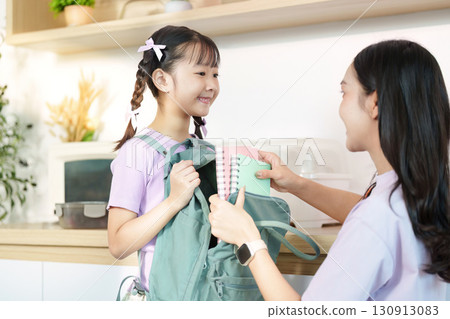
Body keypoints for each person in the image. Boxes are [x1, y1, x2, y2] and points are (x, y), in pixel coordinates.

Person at [208, 40, 450, 300]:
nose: (341, 107)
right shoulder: (427, 194)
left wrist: (248, 242)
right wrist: (296, 184)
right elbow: (372, 215)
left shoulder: (377, 218)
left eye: (344, 93)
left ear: (375, 104)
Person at [107, 25, 220, 293]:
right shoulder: (138, 152)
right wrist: (173, 201)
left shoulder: (204, 150)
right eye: (201, 73)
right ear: (162, 79)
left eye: (215, 74)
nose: (212, 84)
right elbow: (118, 244)